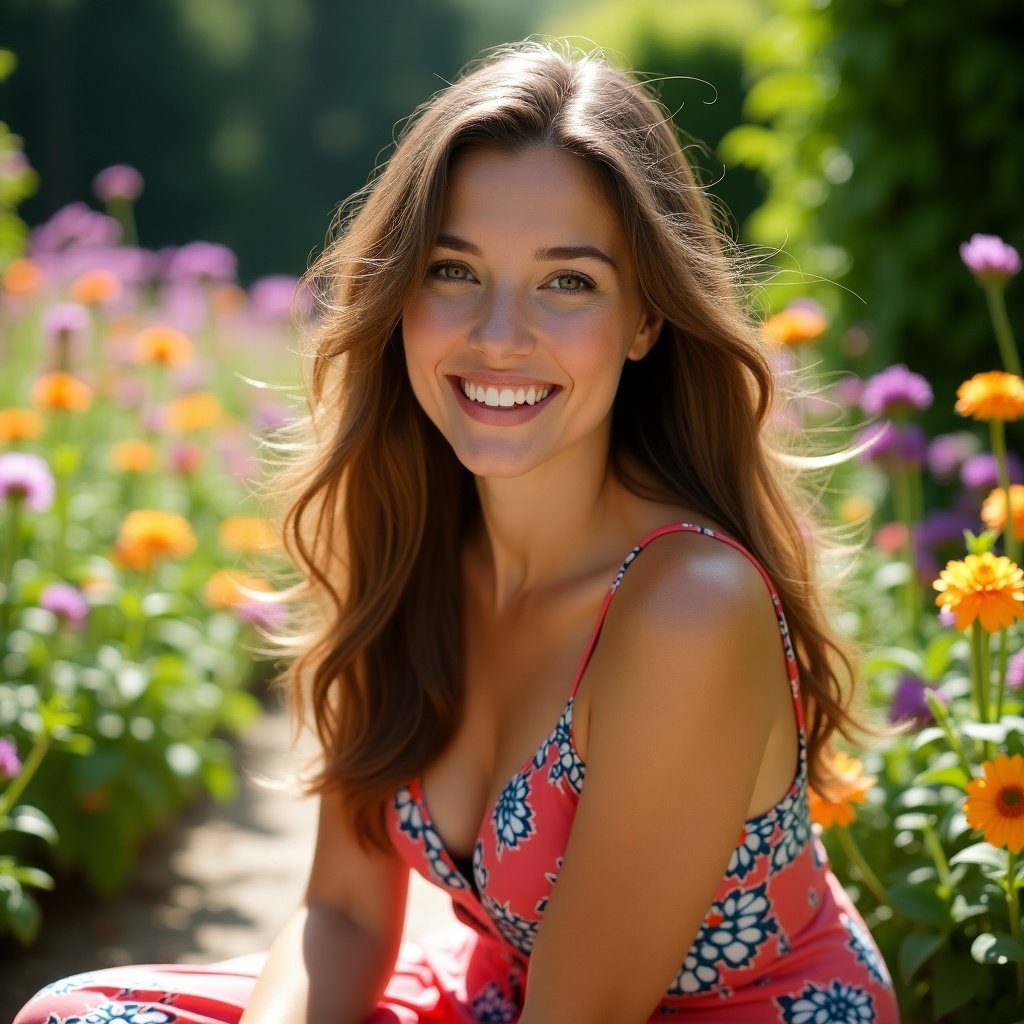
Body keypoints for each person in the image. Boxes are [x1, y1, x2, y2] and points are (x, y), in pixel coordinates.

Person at [16, 40, 899, 1024]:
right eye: (453, 271)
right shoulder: (410, 547)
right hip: (504, 999)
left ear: (645, 318)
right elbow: (341, 914)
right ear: (400, 294)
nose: (497, 335)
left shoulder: (688, 607)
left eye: (567, 282)